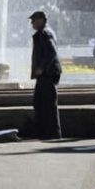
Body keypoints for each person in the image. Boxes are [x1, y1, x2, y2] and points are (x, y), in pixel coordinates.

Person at [30, 11, 62, 140]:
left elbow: (51, 53)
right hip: (48, 73)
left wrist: (42, 68)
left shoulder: (44, 34)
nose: (32, 23)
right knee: (41, 102)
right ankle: (46, 131)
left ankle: (51, 133)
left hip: (47, 74)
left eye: (34, 20)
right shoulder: (45, 33)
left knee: (47, 103)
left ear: (41, 20)